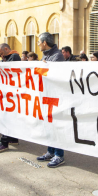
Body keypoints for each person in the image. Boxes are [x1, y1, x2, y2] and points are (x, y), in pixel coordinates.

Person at [36, 32, 65, 168]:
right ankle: (50, 151)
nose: (38, 44)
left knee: (56, 126)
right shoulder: (47, 55)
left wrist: (43, 68)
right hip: (47, 95)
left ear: (44, 43)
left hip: (55, 97)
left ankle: (59, 155)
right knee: (49, 125)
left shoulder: (57, 56)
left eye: (38, 42)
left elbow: (55, 76)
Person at [0, 43, 21, 152]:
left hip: (12, 94)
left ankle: (4, 142)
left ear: (6, 49)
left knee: (6, 118)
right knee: (10, 117)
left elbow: (9, 69)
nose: (1, 56)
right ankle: (13, 138)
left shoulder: (14, 56)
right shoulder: (8, 58)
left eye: (2, 54)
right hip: (8, 93)